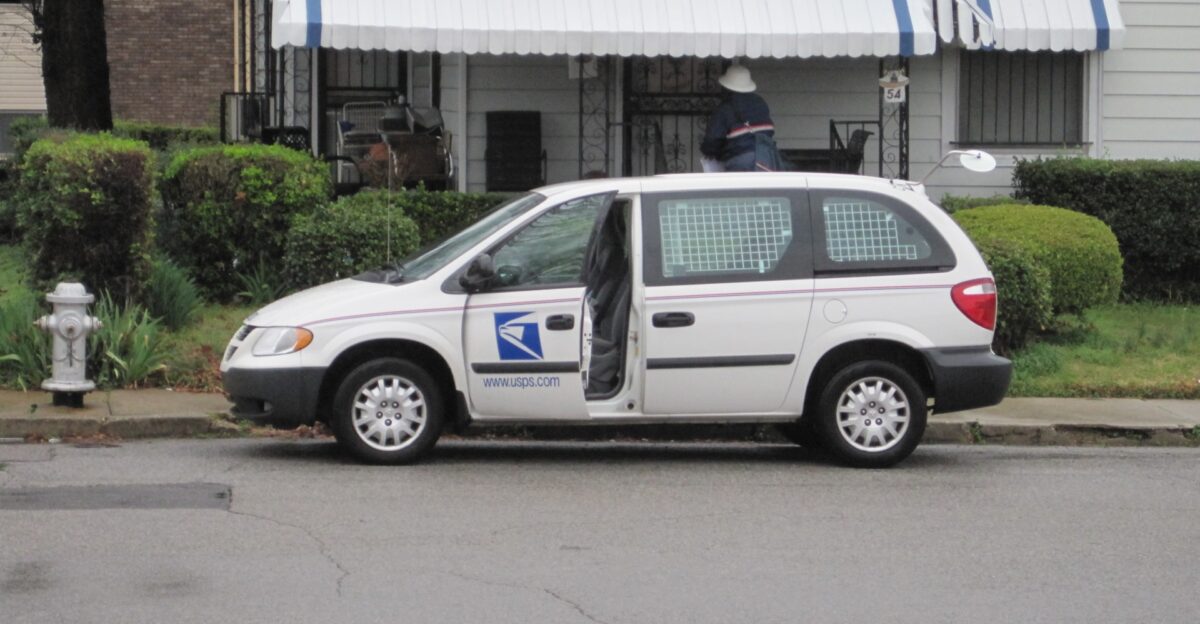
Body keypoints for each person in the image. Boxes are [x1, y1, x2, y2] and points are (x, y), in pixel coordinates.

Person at [700, 64, 775, 172]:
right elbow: (769, 131)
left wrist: (709, 151)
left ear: (727, 87)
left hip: (740, 159)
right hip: (766, 158)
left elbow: (713, 140)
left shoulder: (725, 108)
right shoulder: (760, 103)